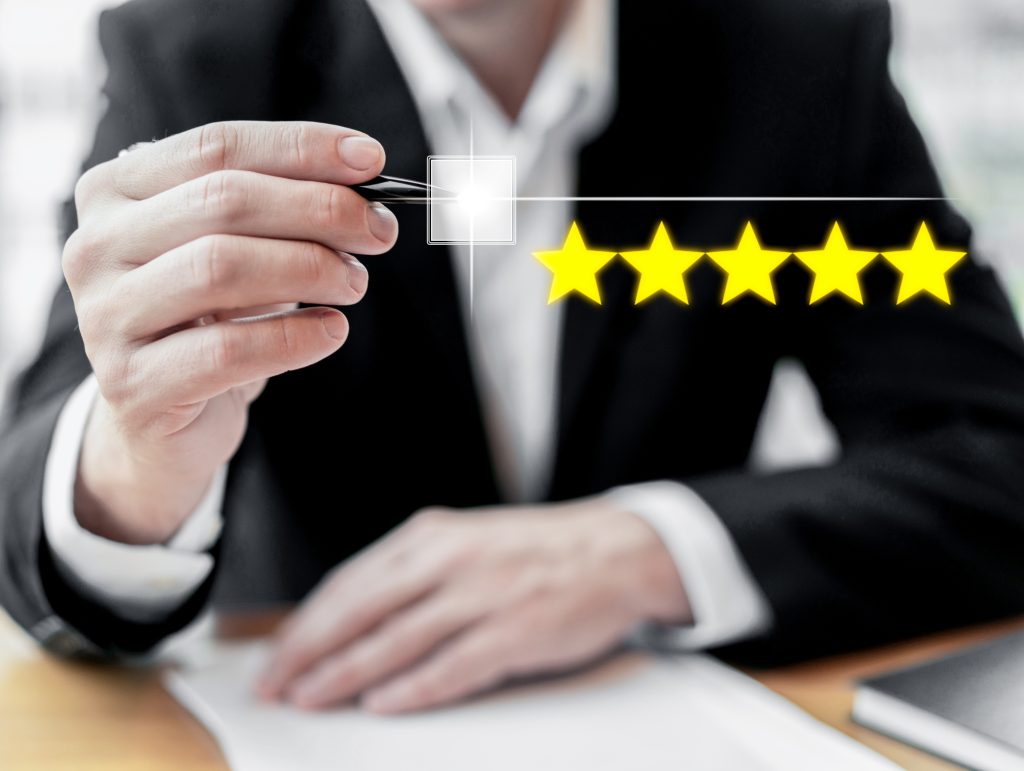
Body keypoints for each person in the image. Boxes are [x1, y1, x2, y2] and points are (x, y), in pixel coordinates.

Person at [2, 0, 1024, 716]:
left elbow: (999, 459)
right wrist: (138, 460)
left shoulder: (799, 48)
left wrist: (651, 550)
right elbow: (30, 505)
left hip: (679, 720)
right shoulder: (196, 50)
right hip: (307, 711)